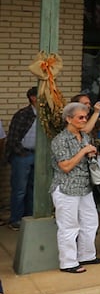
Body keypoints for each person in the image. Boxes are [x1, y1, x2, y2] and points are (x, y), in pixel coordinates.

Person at [50, 100, 100, 273]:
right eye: (80, 117)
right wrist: (83, 151)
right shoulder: (60, 140)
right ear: (69, 119)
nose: (84, 120)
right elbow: (65, 166)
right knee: (69, 226)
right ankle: (68, 262)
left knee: (90, 222)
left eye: (86, 117)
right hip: (66, 187)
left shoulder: (85, 136)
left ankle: (87, 255)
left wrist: (91, 154)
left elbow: (86, 157)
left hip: (85, 186)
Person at [5, 87, 39, 228]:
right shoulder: (23, 114)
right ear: (33, 98)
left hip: (37, 154)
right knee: (19, 189)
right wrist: (21, 153)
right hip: (22, 154)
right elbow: (13, 138)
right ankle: (16, 219)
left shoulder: (46, 115)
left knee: (33, 188)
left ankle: (28, 217)